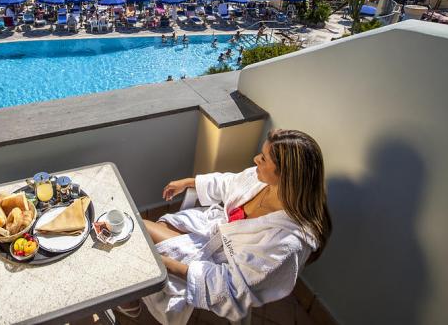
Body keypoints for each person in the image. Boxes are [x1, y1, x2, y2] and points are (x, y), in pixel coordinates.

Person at [130, 130, 331, 324]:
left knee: (141, 238)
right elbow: (231, 182)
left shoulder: (285, 243)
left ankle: (129, 302)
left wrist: (165, 264)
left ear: (286, 176)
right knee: (151, 230)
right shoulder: (262, 180)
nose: (256, 160)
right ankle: (132, 299)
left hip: (224, 263)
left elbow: (234, 287)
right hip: (214, 229)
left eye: (263, 159)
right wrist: (190, 182)